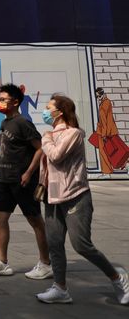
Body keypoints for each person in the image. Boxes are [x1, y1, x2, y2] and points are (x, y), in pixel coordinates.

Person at [35, 94, 129, 305]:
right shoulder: (51, 134)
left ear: (59, 112)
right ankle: (60, 288)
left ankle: (118, 278)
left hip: (75, 196)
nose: (45, 111)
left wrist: (46, 137)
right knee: (55, 244)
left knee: (81, 245)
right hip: (52, 197)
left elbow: (56, 155)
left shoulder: (73, 134)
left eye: (48, 107)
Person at [0, 83, 52, 280]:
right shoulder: (5, 123)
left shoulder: (23, 123)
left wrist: (29, 173)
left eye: (3, 99)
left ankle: (46, 263)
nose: (0, 102)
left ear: (15, 102)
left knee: (35, 221)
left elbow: (40, 148)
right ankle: (2, 262)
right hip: (4, 179)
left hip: (22, 180)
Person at [94, 87, 119, 177]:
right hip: (109, 131)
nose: (98, 98)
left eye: (99, 96)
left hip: (105, 132)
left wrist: (103, 134)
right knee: (113, 150)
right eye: (97, 97)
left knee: (104, 152)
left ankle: (107, 171)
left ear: (102, 95)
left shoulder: (104, 105)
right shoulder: (107, 102)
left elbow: (104, 121)